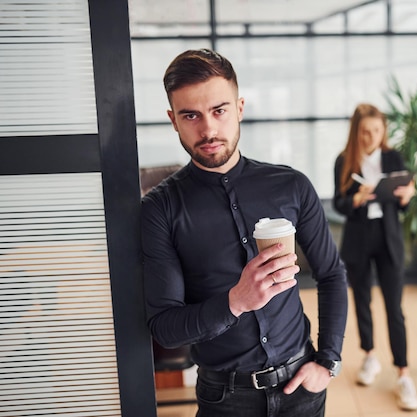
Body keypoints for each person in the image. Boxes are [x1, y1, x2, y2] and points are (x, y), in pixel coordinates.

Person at [141, 48, 348, 417]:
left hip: (302, 387)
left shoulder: (292, 185)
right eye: (191, 115)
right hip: (225, 399)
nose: (208, 129)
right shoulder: (160, 209)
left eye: (219, 111)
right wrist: (236, 301)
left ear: (239, 108)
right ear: (173, 120)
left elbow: (331, 273)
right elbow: (165, 327)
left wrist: (328, 361)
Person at [332, 103, 417, 411]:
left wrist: (408, 196)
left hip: (388, 238)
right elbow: (339, 205)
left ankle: (403, 373)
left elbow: (404, 197)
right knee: (362, 302)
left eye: (377, 131)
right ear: (356, 131)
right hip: (359, 239)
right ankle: (369, 356)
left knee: (395, 307)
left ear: (384, 131)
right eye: (365, 131)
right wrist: (354, 199)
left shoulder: (393, 157)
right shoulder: (344, 161)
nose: (371, 137)